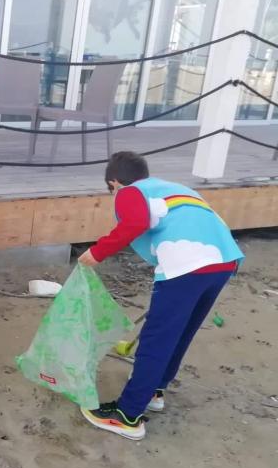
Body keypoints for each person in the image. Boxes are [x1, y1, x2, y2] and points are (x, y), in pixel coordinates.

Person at [77, 151, 244, 440]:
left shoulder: (130, 192)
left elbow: (134, 223)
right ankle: (155, 390)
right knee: (180, 331)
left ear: (113, 182)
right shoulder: (175, 188)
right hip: (224, 260)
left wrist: (96, 252)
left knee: (157, 338)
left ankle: (128, 415)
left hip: (187, 266)